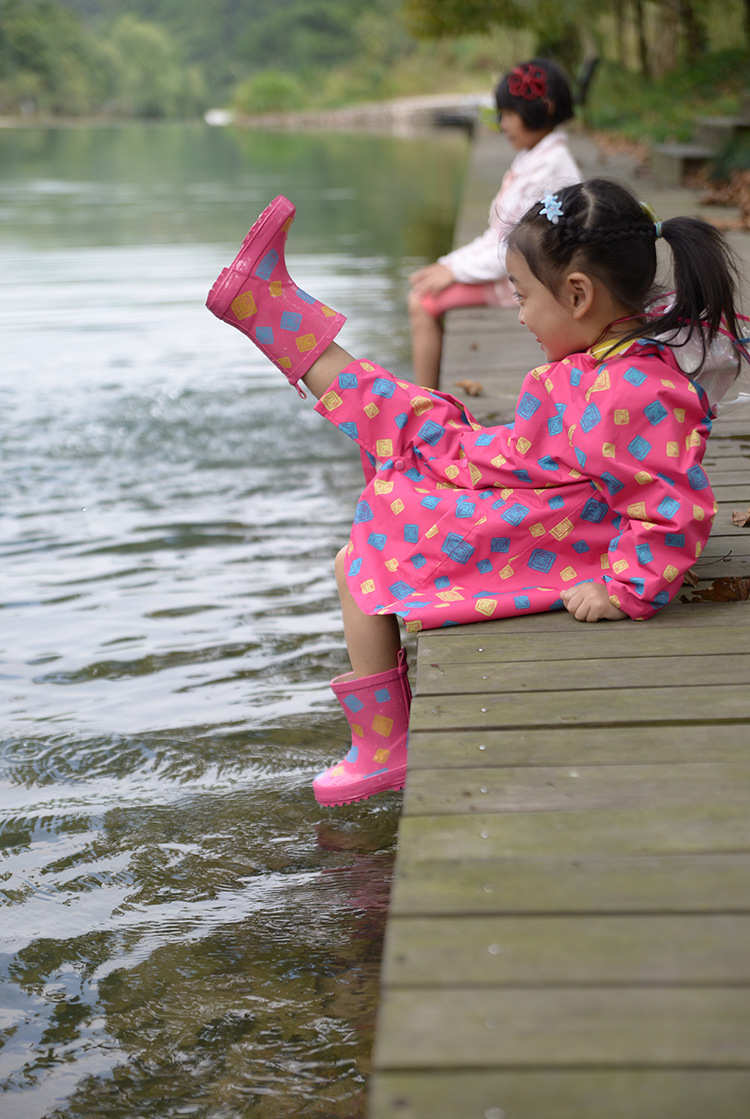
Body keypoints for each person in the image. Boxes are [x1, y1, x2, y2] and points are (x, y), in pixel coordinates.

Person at [205, 180, 745, 808]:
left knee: (361, 558)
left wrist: (627, 587)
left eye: (522, 296)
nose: (519, 315)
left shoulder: (632, 386)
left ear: (578, 295)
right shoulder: (626, 345)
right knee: (417, 427)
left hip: (560, 530)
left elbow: (672, 505)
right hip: (541, 484)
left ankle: (384, 749)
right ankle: (269, 309)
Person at [408, 58, 582, 390]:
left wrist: (454, 272)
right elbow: (498, 236)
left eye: (509, 114)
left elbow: (518, 250)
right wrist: (448, 265)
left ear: (543, 108)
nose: (502, 124)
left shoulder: (552, 170)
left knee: (422, 302)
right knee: (426, 288)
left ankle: (425, 401)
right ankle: (427, 397)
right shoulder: (533, 157)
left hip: (525, 279)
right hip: (513, 269)